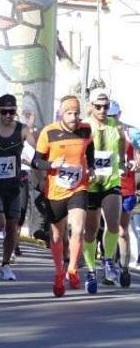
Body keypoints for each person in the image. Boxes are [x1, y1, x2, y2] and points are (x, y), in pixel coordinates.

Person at [32, 95, 94, 296]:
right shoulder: (49, 132)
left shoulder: (85, 129)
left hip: (79, 187)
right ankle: (59, 271)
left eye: (76, 113)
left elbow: (90, 149)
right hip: (55, 190)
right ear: (61, 113)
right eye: (69, 113)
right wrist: (51, 165)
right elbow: (35, 161)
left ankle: (73, 269)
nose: (74, 117)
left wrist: (91, 167)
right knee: (57, 236)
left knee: (78, 229)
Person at [0, 94, 35, 281]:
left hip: (13, 185)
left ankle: (5, 265)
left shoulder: (22, 130)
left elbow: (37, 149)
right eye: (4, 112)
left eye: (12, 112)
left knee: (12, 228)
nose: (8, 115)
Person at [83, 88, 126, 288]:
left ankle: (108, 259)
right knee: (90, 231)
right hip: (91, 186)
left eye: (106, 107)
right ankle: (91, 271)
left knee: (113, 223)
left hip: (111, 182)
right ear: (91, 106)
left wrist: (124, 163)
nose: (102, 110)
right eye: (98, 107)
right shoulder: (84, 127)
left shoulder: (116, 127)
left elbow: (122, 147)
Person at [110, 101, 137, 287]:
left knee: (121, 230)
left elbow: (138, 156)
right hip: (106, 187)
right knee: (109, 229)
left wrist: (136, 163)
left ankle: (124, 268)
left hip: (126, 188)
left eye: (114, 115)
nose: (111, 118)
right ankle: (109, 267)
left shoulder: (132, 132)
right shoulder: (96, 131)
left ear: (120, 114)